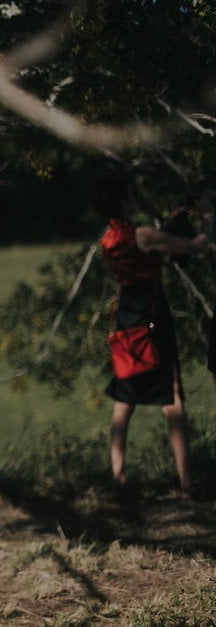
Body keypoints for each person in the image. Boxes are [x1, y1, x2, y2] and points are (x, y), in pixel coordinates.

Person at [95, 176, 211, 500]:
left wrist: (174, 216)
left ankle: (119, 478)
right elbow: (197, 245)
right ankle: (186, 484)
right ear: (124, 201)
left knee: (124, 400)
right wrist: (208, 215)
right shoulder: (142, 235)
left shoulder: (108, 239)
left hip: (126, 318)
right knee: (172, 400)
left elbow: (152, 245)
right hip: (153, 317)